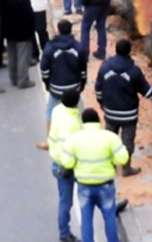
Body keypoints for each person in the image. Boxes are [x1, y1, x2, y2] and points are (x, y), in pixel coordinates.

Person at [95, 39, 152, 176]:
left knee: (109, 138)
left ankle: (109, 164)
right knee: (127, 141)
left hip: (110, 112)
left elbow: (98, 88)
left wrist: (101, 102)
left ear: (116, 50)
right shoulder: (134, 71)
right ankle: (126, 168)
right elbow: (147, 92)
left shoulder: (105, 67)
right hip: (129, 114)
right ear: (129, 52)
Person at [61, 108, 129, 242]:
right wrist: (111, 161)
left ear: (83, 122)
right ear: (98, 121)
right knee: (109, 218)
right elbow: (123, 158)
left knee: (86, 220)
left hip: (84, 186)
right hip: (105, 185)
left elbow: (67, 162)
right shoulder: (110, 137)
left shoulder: (74, 139)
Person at [38, 19, 88, 150]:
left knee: (50, 113)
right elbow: (83, 69)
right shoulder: (78, 47)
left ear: (58, 30)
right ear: (71, 30)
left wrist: (47, 84)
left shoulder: (50, 47)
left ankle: (49, 141)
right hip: (73, 87)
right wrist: (81, 85)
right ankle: (77, 143)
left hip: (56, 87)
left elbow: (44, 69)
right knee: (74, 113)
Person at [48, 90, 83, 242]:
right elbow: (67, 148)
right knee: (68, 200)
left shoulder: (57, 110)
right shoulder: (71, 123)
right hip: (68, 166)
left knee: (65, 200)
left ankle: (64, 231)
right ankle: (64, 232)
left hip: (58, 162)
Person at [0, 0, 36, 89]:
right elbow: (29, 16)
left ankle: (13, 78)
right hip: (23, 33)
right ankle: (22, 80)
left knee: (12, 56)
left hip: (9, 32)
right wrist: (32, 29)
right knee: (23, 57)